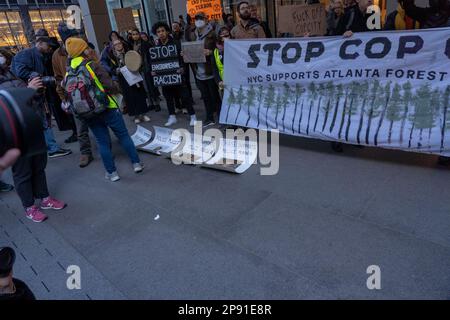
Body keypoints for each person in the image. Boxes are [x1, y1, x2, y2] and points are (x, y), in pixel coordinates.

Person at [64, 37, 144, 182]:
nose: (89, 49)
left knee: (102, 142)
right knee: (123, 136)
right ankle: (136, 163)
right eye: (86, 48)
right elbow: (109, 86)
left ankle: (112, 173)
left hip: (88, 113)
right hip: (107, 107)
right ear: (82, 51)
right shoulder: (92, 65)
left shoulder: (68, 72)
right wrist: (116, 89)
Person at [1, 51, 67, 222]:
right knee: (22, 172)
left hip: (32, 125)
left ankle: (44, 198)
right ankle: (29, 207)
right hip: (13, 133)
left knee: (39, 166)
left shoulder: (12, 73)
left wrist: (35, 92)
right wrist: (28, 91)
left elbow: (29, 100)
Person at [11, 32, 72, 159]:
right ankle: (51, 148)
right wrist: (37, 77)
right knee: (42, 121)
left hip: (36, 93)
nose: (50, 48)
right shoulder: (26, 54)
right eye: (47, 45)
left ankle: (49, 147)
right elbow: (20, 71)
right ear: (39, 43)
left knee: (44, 121)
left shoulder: (39, 55)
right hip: (29, 93)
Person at [52, 22, 94, 168]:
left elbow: (96, 65)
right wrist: (63, 98)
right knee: (80, 127)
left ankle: (106, 145)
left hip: (92, 91)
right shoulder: (57, 55)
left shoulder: (83, 46)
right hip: (74, 95)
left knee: (101, 120)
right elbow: (58, 77)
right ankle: (85, 153)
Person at [151, 22, 197, 127]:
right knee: (168, 97)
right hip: (165, 77)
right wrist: (154, 71)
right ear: (156, 34)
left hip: (178, 74)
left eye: (163, 31)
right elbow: (154, 62)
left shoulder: (176, 43)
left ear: (167, 31)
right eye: (158, 32)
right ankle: (172, 116)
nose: (161, 33)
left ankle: (193, 116)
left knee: (185, 96)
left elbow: (184, 59)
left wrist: (182, 68)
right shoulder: (155, 47)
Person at [186, 12, 222, 127]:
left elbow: (220, 48)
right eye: (196, 18)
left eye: (201, 18)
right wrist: (185, 53)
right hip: (198, 71)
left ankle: (222, 117)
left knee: (215, 96)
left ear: (206, 20)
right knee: (205, 97)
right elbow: (189, 48)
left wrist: (211, 52)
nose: (198, 20)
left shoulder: (213, 34)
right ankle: (209, 117)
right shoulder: (192, 34)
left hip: (210, 70)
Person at [105, 39, 151, 124]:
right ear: (113, 47)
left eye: (119, 43)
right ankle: (136, 115)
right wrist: (117, 70)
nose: (118, 45)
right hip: (124, 80)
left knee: (140, 95)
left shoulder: (129, 53)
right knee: (130, 97)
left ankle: (143, 114)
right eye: (116, 44)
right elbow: (112, 69)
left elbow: (138, 62)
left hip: (135, 76)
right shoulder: (112, 57)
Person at [213, 27, 231, 99]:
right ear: (220, 37)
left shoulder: (235, 47)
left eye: (227, 35)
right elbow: (214, 68)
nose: (226, 37)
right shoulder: (216, 51)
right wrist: (219, 81)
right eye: (223, 35)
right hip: (223, 83)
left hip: (235, 82)